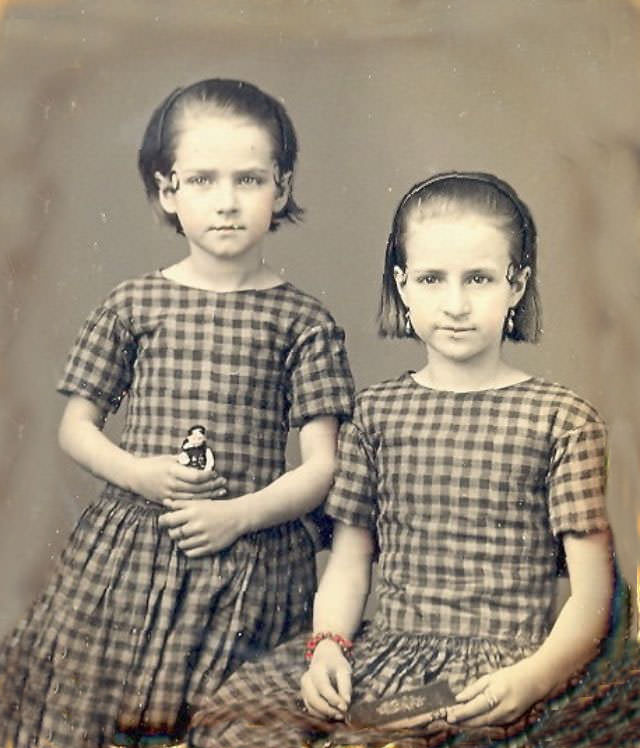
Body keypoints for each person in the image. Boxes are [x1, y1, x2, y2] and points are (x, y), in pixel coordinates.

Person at [190, 171, 614, 748]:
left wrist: (531, 678)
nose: (456, 304)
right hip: (383, 647)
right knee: (232, 722)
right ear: (402, 286)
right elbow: (349, 559)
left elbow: (592, 598)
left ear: (517, 285)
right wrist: (329, 647)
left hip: (493, 668)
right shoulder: (377, 412)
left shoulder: (562, 419)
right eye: (432, 279)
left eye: (480, 279)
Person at [0, 78, 354, 748]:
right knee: (94, 715)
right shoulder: (133, 304)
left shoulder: (303, 321)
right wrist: (138, 474)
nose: (226, 202)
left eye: (249, 179)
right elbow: (74, 428)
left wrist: (239, 514)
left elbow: (322, 467)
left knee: (226, 722)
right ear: (168, 192)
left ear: (280, 189)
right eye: (202, 180)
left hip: (251, 561)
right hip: (136, 550)